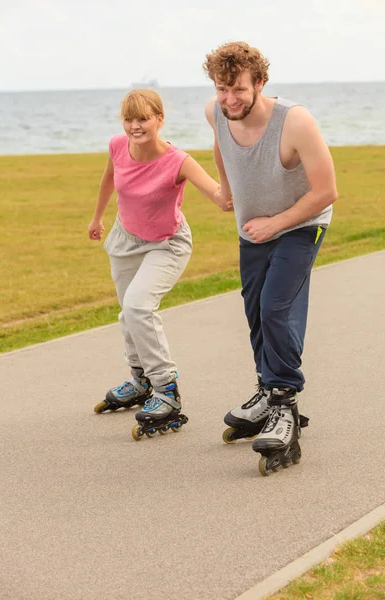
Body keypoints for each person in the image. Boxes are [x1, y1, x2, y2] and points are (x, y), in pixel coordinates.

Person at [203, 42, 338, 475]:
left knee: (276, 307)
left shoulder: (294, 122)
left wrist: (275, 223)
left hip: (302, 224)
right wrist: (226, 189)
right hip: (253, 229)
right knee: (256, 313)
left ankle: (284, 404)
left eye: (238, 89)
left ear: (260, 83)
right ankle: (266, 389)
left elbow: (326, 191)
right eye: (222, 89)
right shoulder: (216, 112)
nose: (229, 99)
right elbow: (219, 147)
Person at [88, 88, 230, 439]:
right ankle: (140, 381)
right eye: (129, 119)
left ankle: (166, 390)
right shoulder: (117, 145)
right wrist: (97, 218)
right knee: (127, 312)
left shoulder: (178, 161)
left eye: (143, 119)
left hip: (166, 244)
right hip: (126, 238)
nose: (135, 126)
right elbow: (109, 178)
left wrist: (227, 166)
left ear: (159, 120)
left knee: (138, 307)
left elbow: (219, 198)